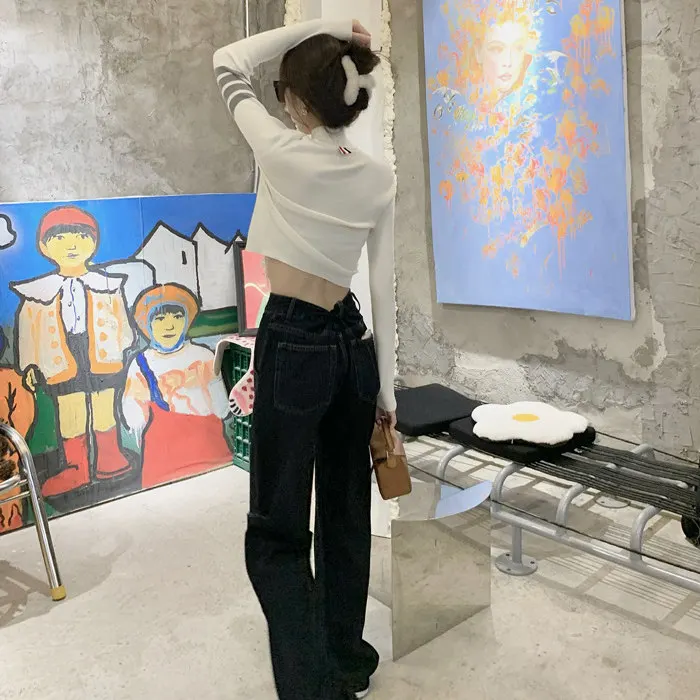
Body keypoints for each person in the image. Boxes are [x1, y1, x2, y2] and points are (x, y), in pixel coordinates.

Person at [214, 18, 396, 700]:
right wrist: (388, 394)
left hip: (293, 336)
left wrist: (327, 25)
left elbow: (228, 61)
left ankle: (314, 687)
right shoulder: (376, 175)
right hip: (354, 343)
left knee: (276, 534)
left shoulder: (283, 152)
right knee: (347, 514)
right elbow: (383, 285)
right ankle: (346, 661)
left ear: (295, 99)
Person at [11, 206, 135, 498]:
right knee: (70, 410)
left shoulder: (107, 285)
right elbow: (29, 328)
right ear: (44, 247)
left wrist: (123, 346)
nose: (71, 245)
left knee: (104, 404)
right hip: (60, 353)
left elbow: (121, 319)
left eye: (81, 237)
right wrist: (30, 365)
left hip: (101, 351)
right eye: (60, 238)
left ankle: (109, 458)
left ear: (94, 243)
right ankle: (76, 468)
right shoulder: (38, 292)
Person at [121, 284, 232, 489]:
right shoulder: (141, 364)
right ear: (147, 324)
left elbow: (222, 408)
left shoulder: (204, 357)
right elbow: (133, 415)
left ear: (187, 320)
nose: (169, 326)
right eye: (160, 319)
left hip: (208, 451)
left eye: (177, 317)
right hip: (163, 458)